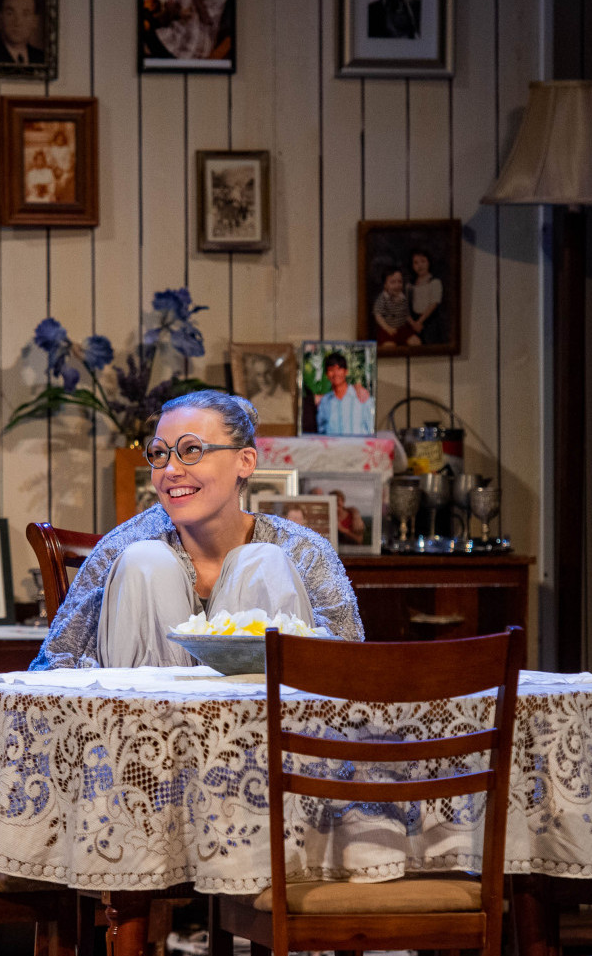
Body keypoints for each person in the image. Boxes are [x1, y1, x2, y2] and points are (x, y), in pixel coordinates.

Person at [33, 390, 361, 670]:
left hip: (266, 736)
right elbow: (55, 664)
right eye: (159, 453)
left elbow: (349, 666)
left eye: (192, 450)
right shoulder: (126, 546)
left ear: (245, 461)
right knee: (146, 563)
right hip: (144, 735)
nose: (171, 470)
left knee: (263, 563)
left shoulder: (303, 551)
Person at [313, 350, 372, 434]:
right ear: (326, 374)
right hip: (333, 446)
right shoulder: (325, 401)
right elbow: (321, 430)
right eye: (331, 370)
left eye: (339, 369)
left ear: (346, 372)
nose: (335, 373)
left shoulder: (362, 397)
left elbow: (370, 428)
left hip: (357, 446)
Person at [0, 0, 47, 66]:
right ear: (0, 18)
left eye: (25, 14)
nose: (18, 22)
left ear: (35, 21)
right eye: (10, 13)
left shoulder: (42, 58)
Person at [372, 267, 418, 345]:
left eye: (399, 282)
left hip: (403, 329)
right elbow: (378, 316)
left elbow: (406, 314)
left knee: (416, 342)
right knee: (389, 347)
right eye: (393, 282)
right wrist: (387, 328)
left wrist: (413, 323)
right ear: (385, 285)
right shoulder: (383, 299)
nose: (397, 285)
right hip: (388, 330)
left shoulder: (402, 297)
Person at [408, 248, 443, 343]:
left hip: (430, 321)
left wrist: (420, 322)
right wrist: (413, 323)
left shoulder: (434, 282)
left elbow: (434, 304)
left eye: (423, 261)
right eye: (416, 263)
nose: (420, 266)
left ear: (429, 262)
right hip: (413, 322)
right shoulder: (410, 285)